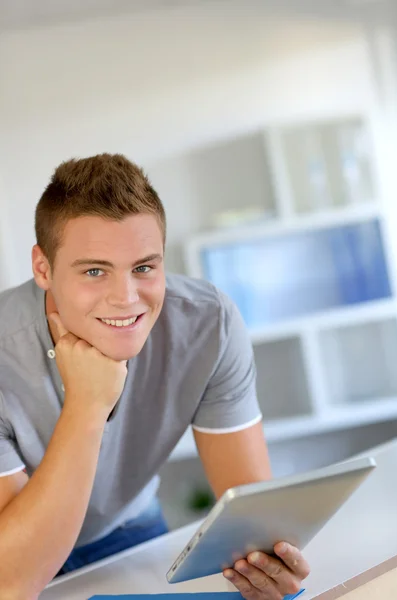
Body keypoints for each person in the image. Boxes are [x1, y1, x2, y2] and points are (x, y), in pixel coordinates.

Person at [0, 154, 310, 599]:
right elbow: (12, 578)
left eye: (144, 267)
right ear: (43, 268)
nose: (126, 298)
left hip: (128, 525)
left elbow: (250, 515)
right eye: (94, 271)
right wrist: (88, 404)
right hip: (16, 545)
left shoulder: (208, 323)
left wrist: (268, 563)